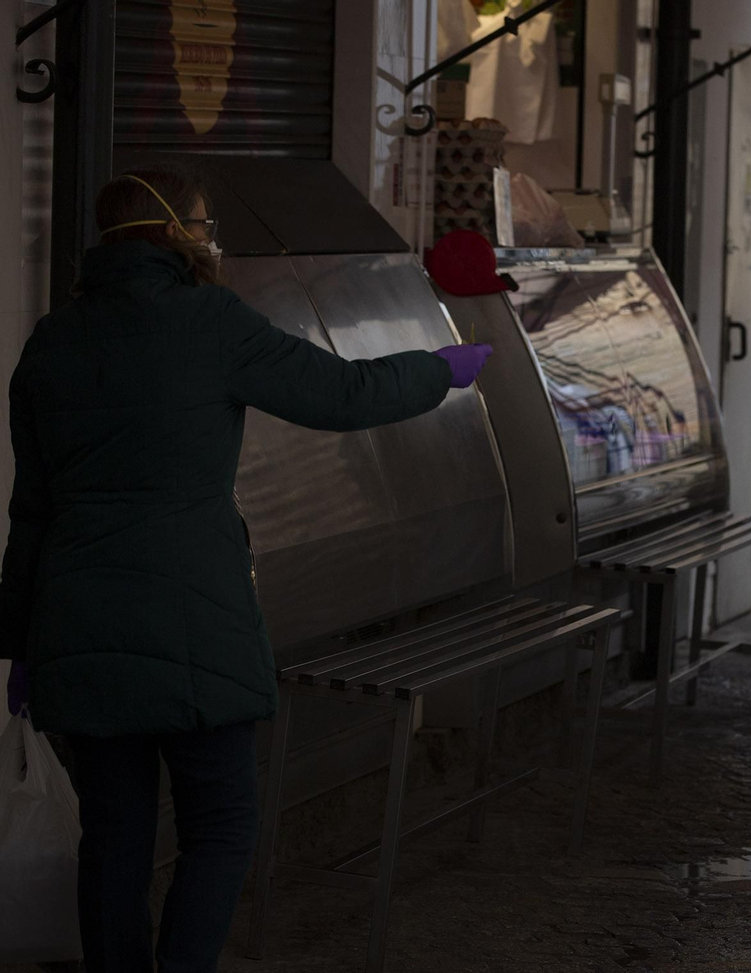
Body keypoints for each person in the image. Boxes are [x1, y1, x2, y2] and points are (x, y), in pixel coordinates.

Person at [0, 167, 493, 972]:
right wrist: (440, 370)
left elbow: (32, 512)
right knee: (222, 825)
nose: (210, 236)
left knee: (114, 839)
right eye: (201, 222)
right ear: (173, 233)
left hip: (80, 626)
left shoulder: (52, 341)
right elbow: (340, 392)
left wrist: (20, 640)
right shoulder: (209, 322)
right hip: (196, 622)